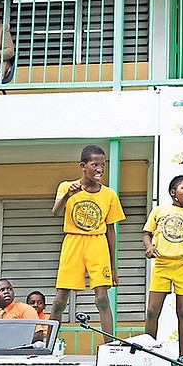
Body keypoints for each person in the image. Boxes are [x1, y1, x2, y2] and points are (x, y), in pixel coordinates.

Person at [50, 145, 126, 343]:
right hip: (73, 241)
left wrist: (113, 266)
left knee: (102, 298)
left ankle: (109, 346)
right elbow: (55, 212)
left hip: (97, 243)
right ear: (83, 166)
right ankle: (49, 345)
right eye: (95, 164)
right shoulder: (67, 186)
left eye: (103, 164)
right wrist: (68, 196)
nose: (100, 168)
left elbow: (111, 230)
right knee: (60, 300)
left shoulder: (109, 194)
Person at [142, 175, 183, 366]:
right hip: (162, 265)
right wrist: (149, 247)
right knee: (153, 311)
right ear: (173, 192)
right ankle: (149, 352)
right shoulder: (160, 210)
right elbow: (146, 234)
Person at [0, 279, 43, 344]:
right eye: (1, 290)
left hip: (19, 352)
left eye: (9, 289)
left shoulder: (25, 309)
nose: (6, 292)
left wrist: (13, 342)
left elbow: (38, 335)